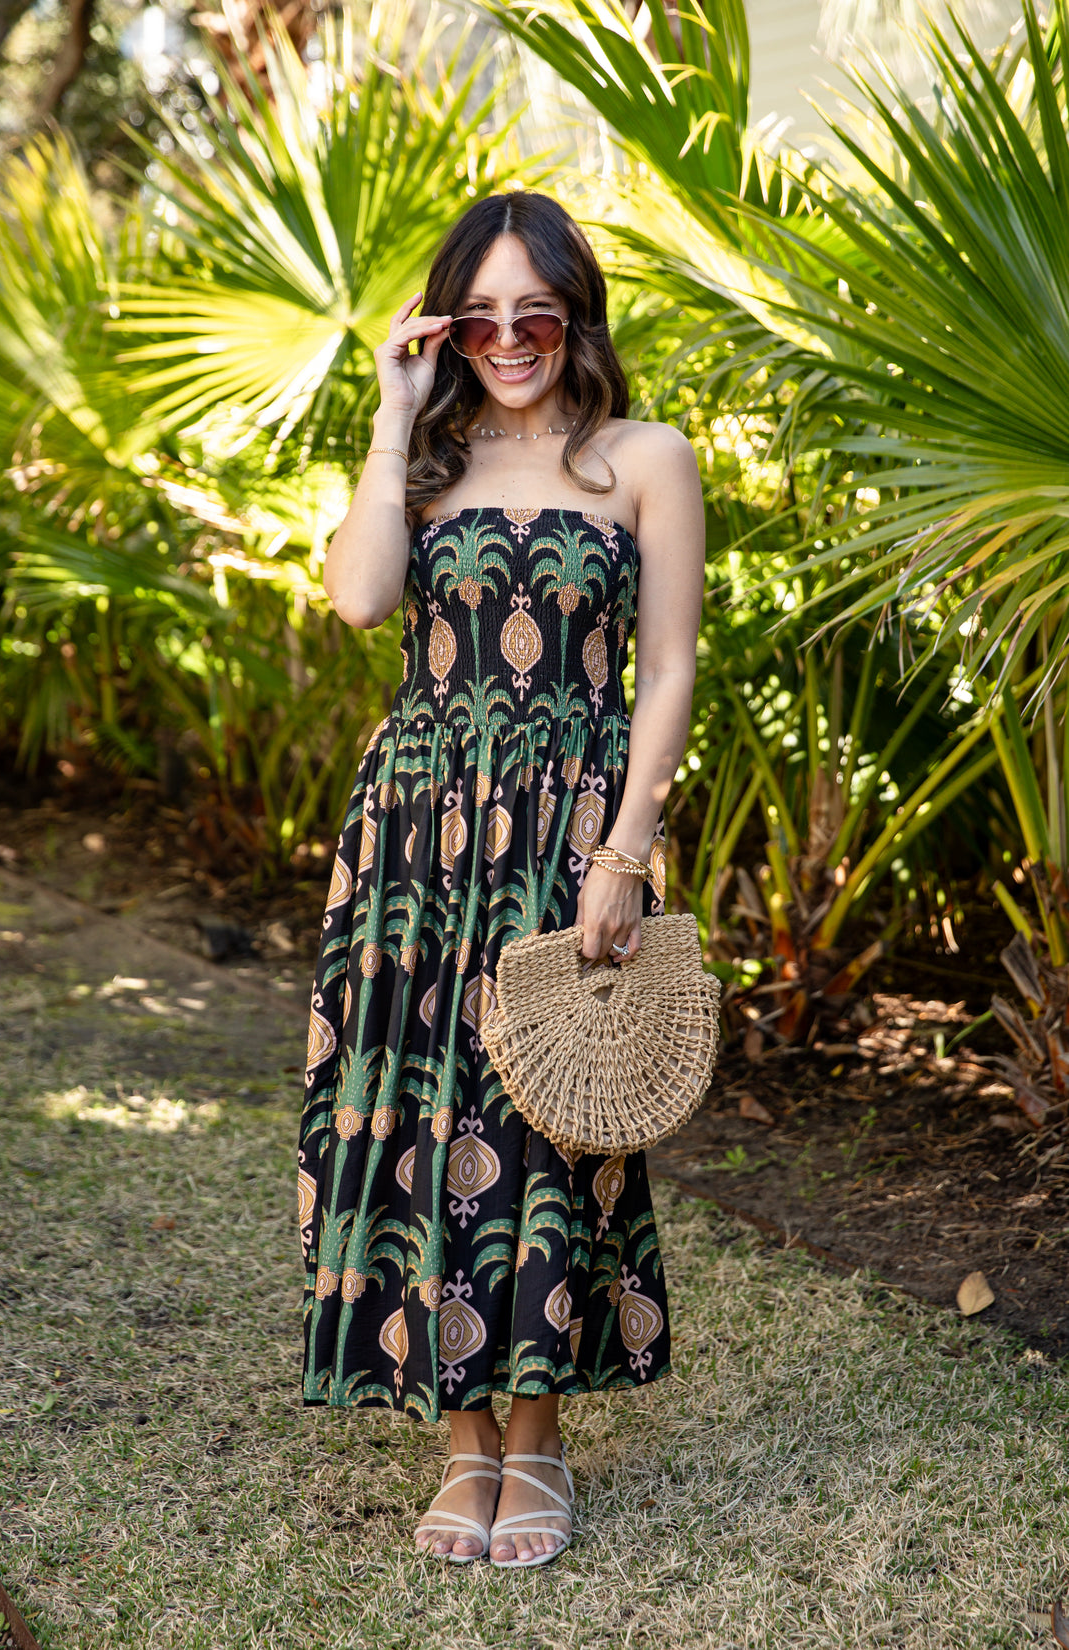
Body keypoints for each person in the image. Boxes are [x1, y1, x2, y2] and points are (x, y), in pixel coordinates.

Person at [297, 191, 705, 1569]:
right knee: (421, 1115)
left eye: (540, 313)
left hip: (565, 829)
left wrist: (627, 850)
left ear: (576, 314)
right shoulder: (426, 454)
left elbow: (671, 673)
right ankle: (458, 1445)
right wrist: (389, 416)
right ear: (448, 323)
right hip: (415, 836)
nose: (514, 338)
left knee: (540, 1130)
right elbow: (359, 601)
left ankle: (536, 1443)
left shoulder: (643, 455)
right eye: (484, 316)